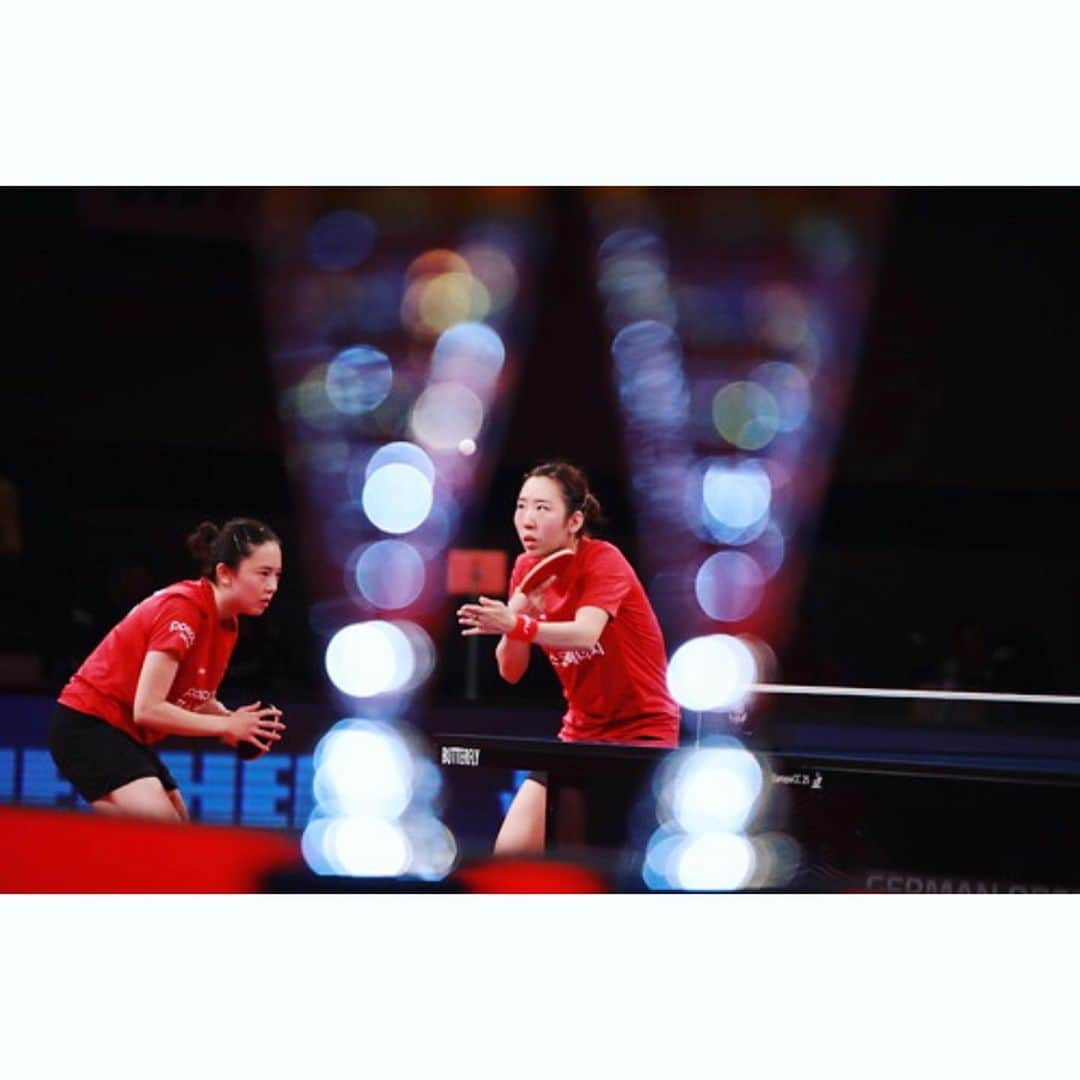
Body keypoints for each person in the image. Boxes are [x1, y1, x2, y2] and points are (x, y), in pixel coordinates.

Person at [457, 462, 680, 854]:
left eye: (542, 508)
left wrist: (518, 624)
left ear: (574, 520)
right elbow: (511, 671)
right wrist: (519, 612)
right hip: (578, 734)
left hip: (642, 734)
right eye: (522, 506)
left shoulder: (603, 560)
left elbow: (585, 631)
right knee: (509, 853)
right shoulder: (526, 569)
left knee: (605, 868)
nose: (527, 520)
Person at [47, 518, 287, 822]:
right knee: (167, 835)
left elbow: (195, 698)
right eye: (263, 574)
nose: (273, 586)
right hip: (88, 725)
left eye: (277, 575)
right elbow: (148, 709)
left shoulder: (226, 624)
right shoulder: (183, 609)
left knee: (177, 830)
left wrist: (236, 723)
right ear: (225, 573)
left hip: (123, 733)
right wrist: (226, 726)